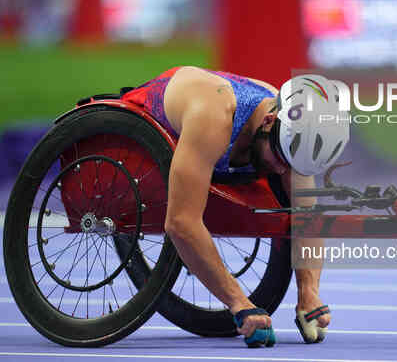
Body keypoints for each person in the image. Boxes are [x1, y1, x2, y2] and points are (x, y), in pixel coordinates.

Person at [121, 66, 349, 347]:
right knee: (187, 212)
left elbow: (309, 219)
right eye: (279, 158)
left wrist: (309, 293)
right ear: (268, 121)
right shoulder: (212, 119)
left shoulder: (292, 137)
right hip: (168, 103)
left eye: (292, 164)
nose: (281, 170)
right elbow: (180, 224)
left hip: (230, 118)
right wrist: (240, 304)